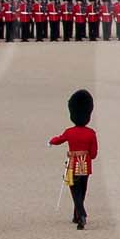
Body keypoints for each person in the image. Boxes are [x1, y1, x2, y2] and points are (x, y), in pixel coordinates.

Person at [50, 89, 98, 229]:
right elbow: (93, 154)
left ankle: (81, 214)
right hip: (86, 164)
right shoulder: (91, 133)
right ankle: (77, 215)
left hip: (73, 164)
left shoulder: (70, 132)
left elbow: (59, 139)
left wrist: (51, 142)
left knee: (74, 190)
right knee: (82, 190)